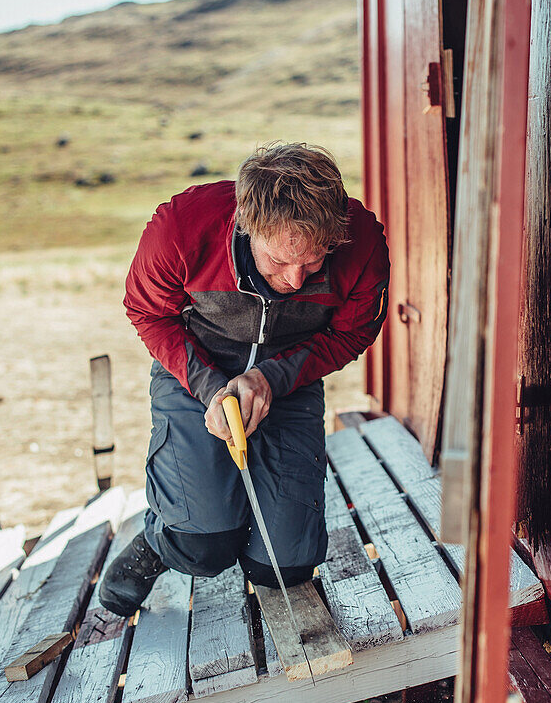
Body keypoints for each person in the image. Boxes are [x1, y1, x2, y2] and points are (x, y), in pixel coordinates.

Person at [99, 143, 389, 617]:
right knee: (203, 543)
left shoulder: (363, 242)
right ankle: (160, 538)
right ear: (245, 224)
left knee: (284, 566)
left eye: (314, 262)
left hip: (293, 372)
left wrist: (272, 377)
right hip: (195, 368)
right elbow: (148, 312)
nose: (297, 280)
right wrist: (212, 388)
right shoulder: (180, 227)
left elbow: (353, 331)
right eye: (278, 262)